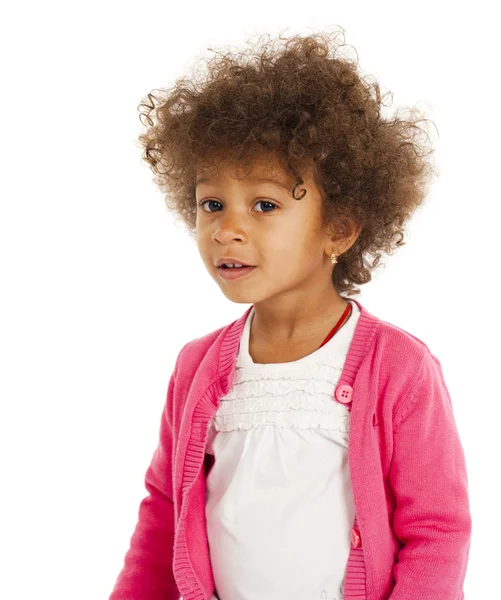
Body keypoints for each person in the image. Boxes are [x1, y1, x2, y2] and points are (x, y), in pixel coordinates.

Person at [109, 27, 472, 600]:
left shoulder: (399, 368)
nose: (227, 228)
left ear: (339, 229)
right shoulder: (195, 367)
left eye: (264, 204)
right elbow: (164, 517)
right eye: (211, 204)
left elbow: (437, 531)